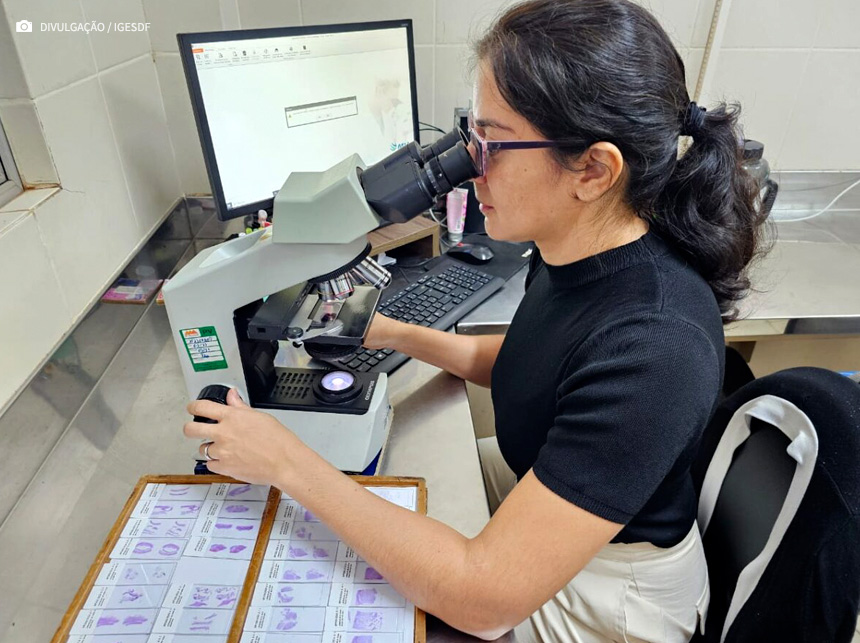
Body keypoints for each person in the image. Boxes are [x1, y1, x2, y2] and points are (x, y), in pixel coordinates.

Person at [183, 0, 769, 640]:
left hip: (606, 600)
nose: (469, 166)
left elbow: (484, 602)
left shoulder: (656, 344)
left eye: (493, 142)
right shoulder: (577, 247)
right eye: (471, 136)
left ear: (594, 170)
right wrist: (386, 332)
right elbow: (536, 364)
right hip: (548, 513)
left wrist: (288, 464)